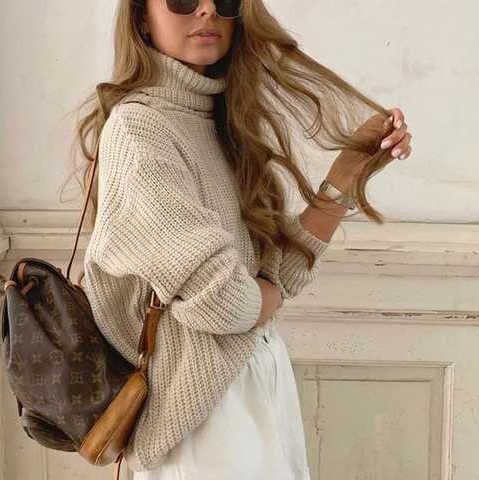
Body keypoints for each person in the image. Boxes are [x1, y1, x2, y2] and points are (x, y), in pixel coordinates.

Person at [72, 0, 413, 477]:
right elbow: (227, 303)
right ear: (142, 18)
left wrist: (345, 176)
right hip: (203, 419)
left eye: (226, 0)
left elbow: (270, 279)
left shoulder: (218, 122)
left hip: (253, 387)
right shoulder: (140, 129)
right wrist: (265, 295)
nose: (208, 10)